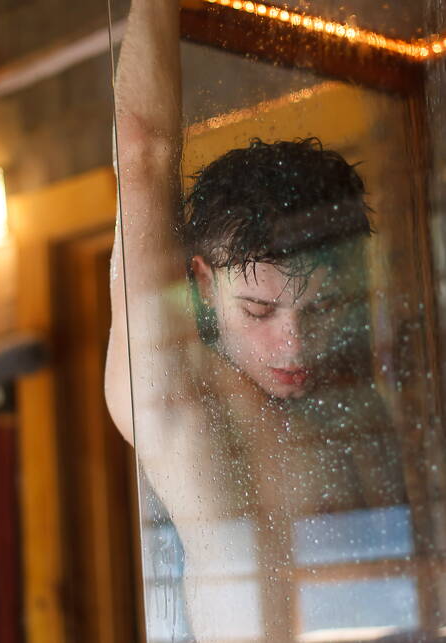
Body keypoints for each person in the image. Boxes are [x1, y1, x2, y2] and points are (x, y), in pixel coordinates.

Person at [105, 1, 405, 640]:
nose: (295, 342)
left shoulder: (357, 394)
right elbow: (143, 150)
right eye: (259, 310)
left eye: (322, 307)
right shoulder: (189, 402)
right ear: (202, 284)